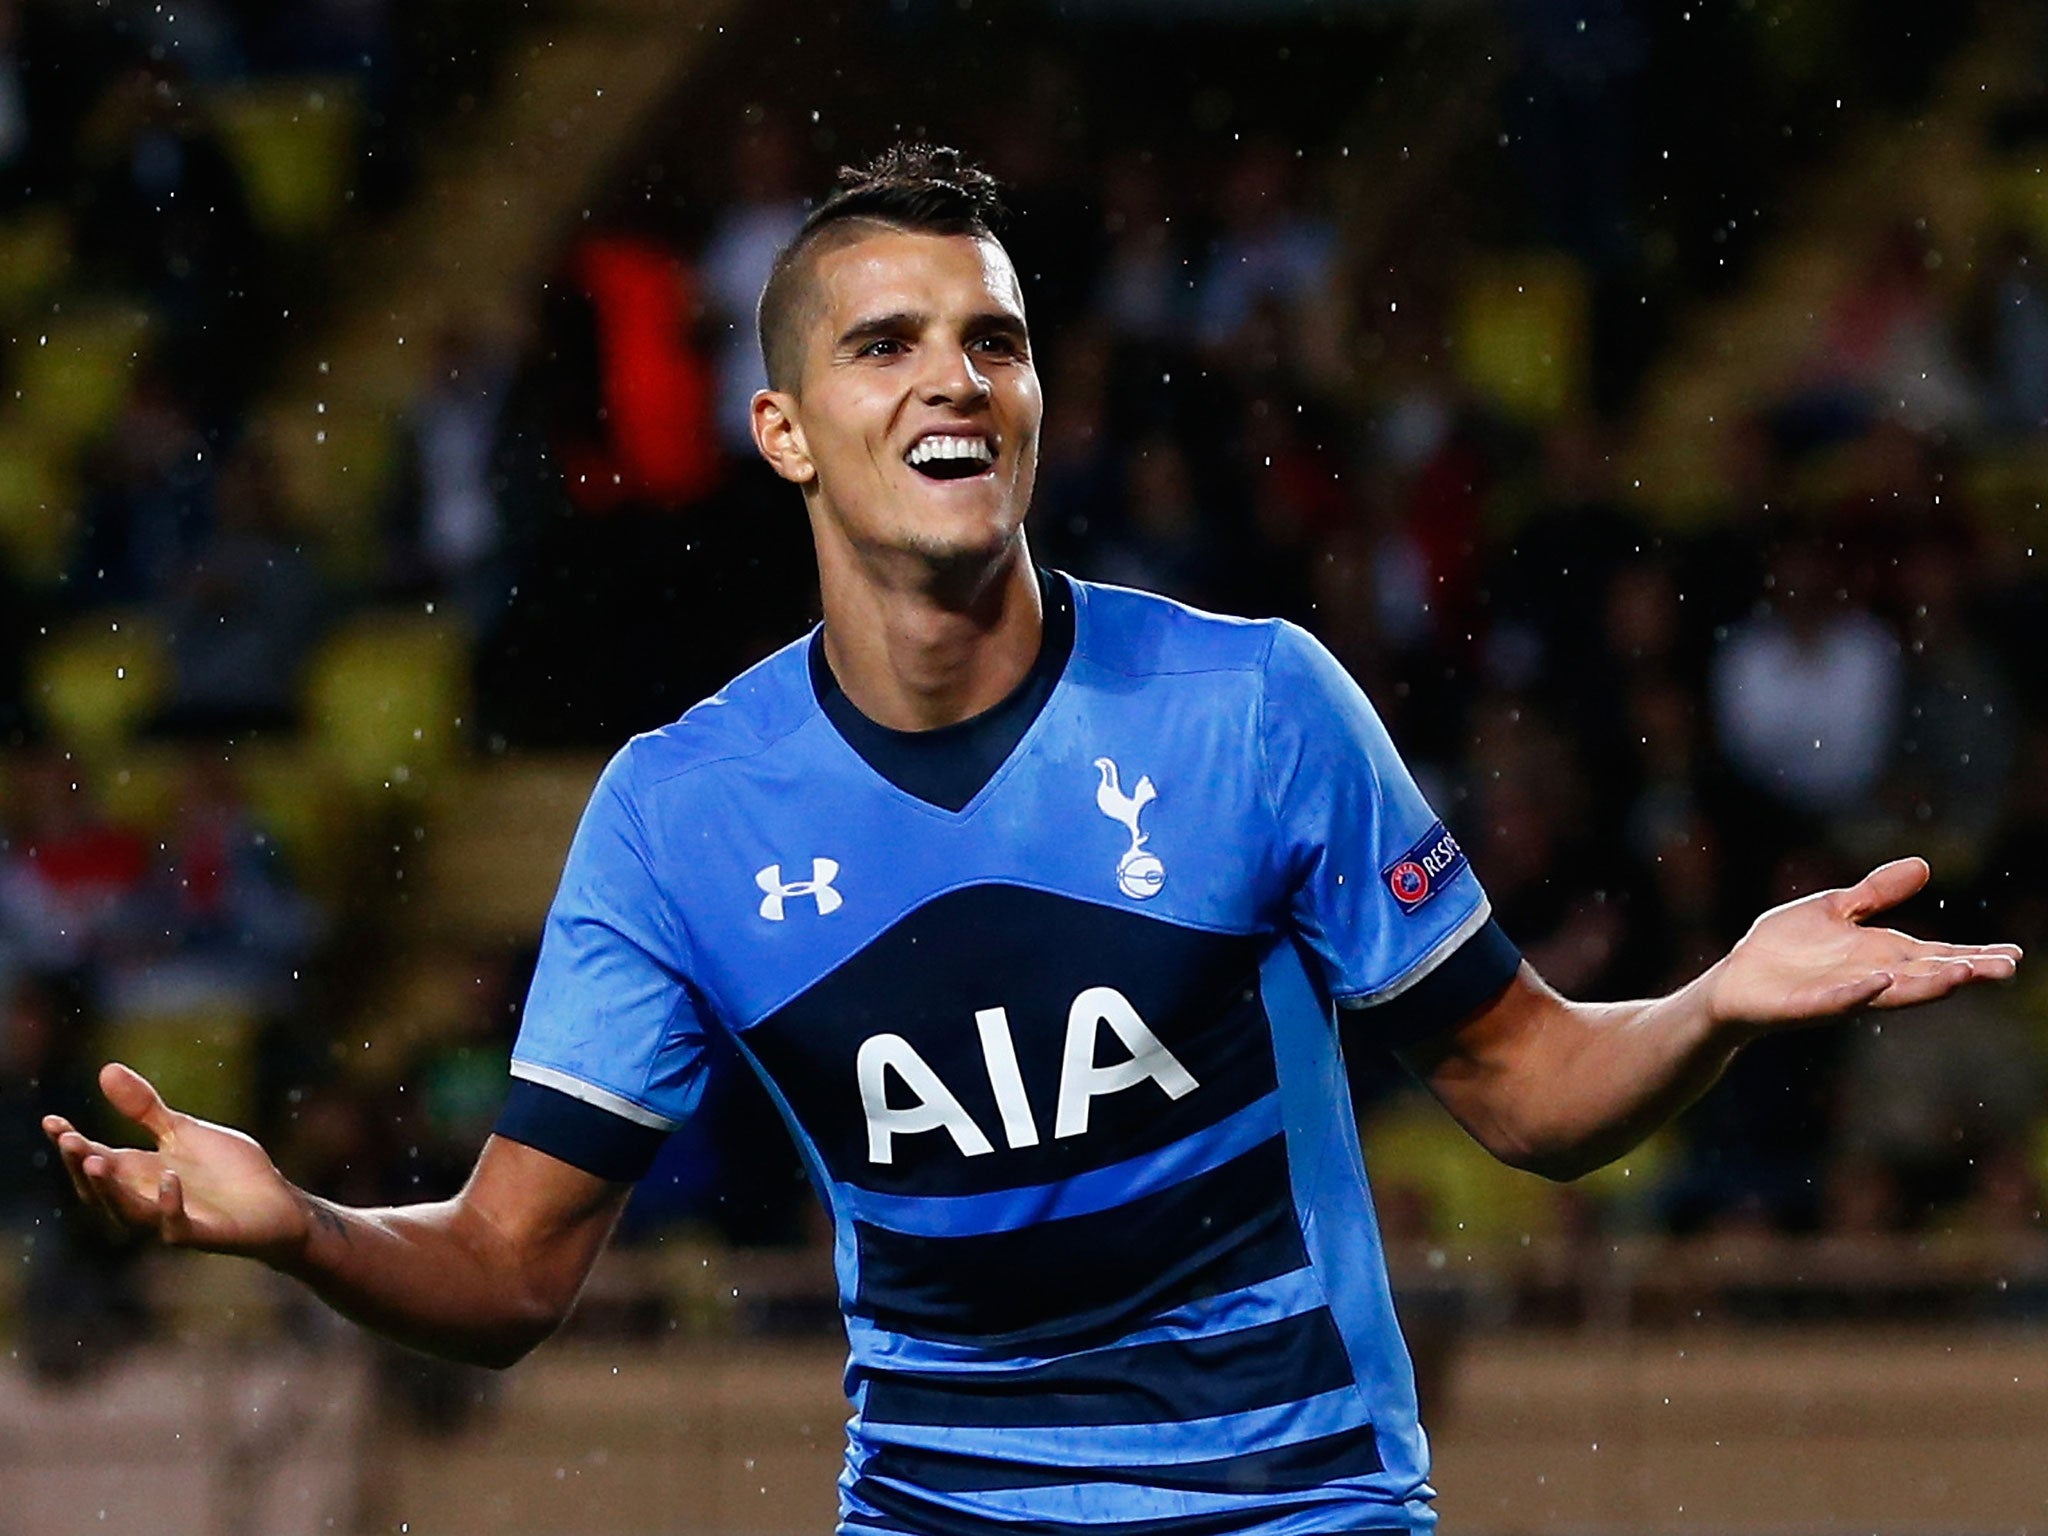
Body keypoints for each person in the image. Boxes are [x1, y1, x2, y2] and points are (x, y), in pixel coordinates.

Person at [42, 145, 2022, 1536]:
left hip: (1301, 1513)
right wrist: (299, 1227)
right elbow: (504, 1269)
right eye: (885, 344)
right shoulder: (676, 813)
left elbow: (1528, 1095)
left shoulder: (1252, 708)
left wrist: (1715, 1001)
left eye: (991, 340)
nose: (954, 381)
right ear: (787, 431)